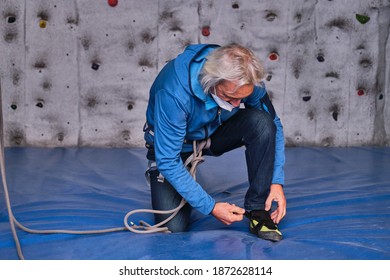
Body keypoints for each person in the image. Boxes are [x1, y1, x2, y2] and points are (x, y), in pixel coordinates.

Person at [143, 43, 286, 241]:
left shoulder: (246, 77)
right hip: (175, 148)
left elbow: (274, 125)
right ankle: (175, 179)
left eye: (242, 99)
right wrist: (211, 207)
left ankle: (257, 208)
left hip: (214, 133)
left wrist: (276, 181)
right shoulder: (173, 93)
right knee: (174, 229)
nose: (237, 105)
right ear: (212, 82)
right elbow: (167, 159)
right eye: (230, 97)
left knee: (262, 123)